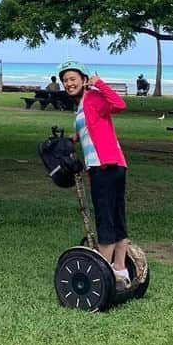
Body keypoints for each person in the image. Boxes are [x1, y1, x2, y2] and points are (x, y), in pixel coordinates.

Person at [58, 60, 131, 290]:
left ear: (83, 79)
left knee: (105, 217)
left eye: (72, 79)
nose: (69, 83)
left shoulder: (93, 97)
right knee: (117, 215)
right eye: (65, 80)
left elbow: (119, 104)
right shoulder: (82, 105)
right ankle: (121, 270)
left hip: (105, 166)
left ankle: (105, 272)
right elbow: (92, 126)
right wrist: (75, 137)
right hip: (113, 165)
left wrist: (99, 83)